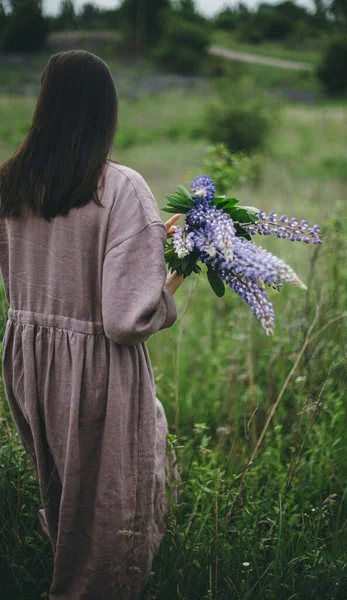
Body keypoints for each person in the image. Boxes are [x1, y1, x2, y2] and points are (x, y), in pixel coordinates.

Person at [0, 49, 184, 599]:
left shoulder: (11, 183)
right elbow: (125, 320)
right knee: (109, 508)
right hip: (95, 366)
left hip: (28, 359)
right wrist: (173, 275)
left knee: (64, 495)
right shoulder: (121, 188)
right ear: (105, 112)